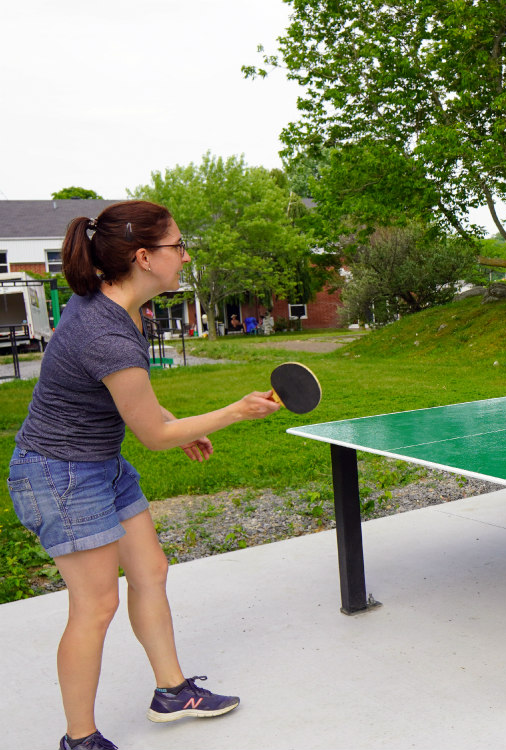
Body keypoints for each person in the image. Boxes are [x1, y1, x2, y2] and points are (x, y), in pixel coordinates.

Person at [6, 200, 282, 750]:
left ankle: (172, 692)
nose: (183, 255)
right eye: (177, 246)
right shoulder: (103, 330)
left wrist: (179, 421)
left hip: (99, 462)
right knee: (96, 604)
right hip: (58, 475)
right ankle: (79, 739)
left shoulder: (121, 309)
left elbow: (139, 408)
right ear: (143, 257)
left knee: (150, 569)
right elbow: (151, 438)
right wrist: (233, 412)